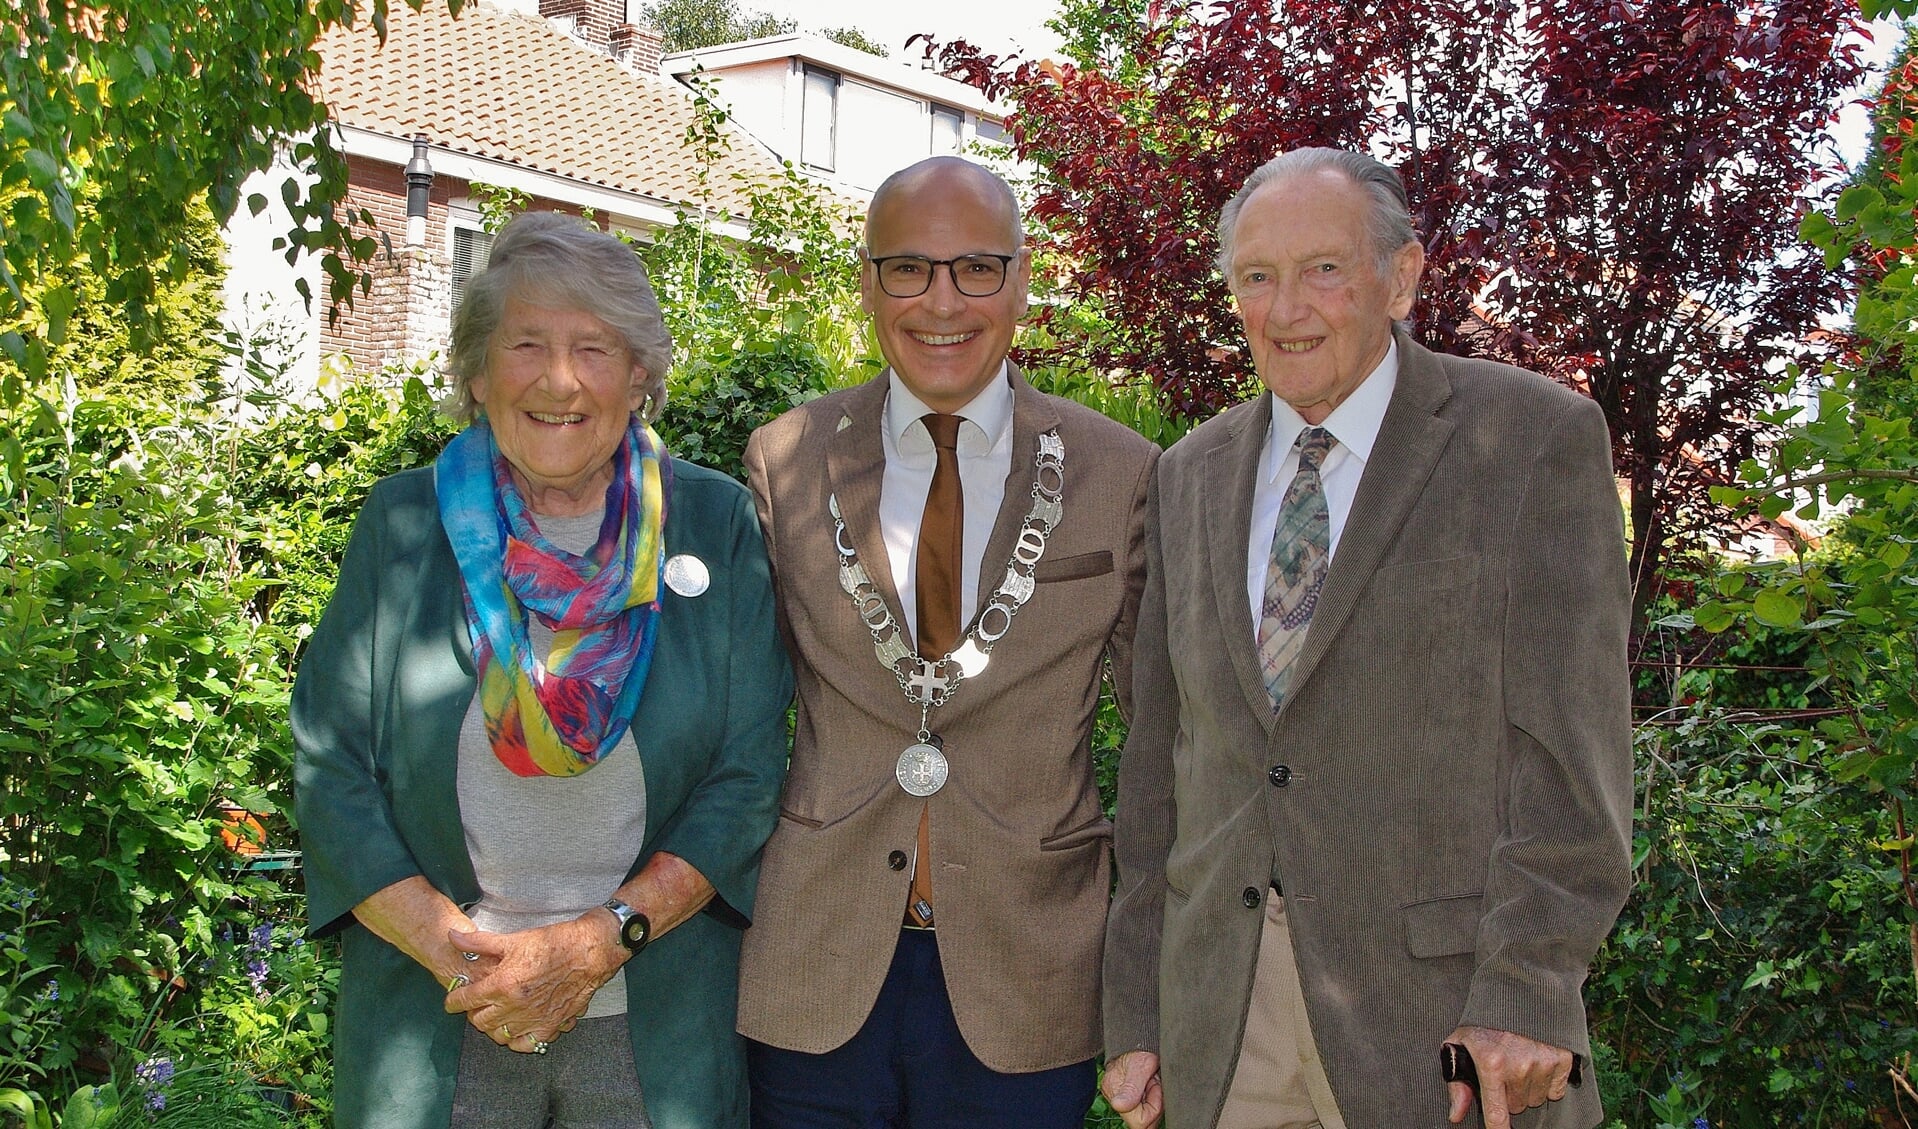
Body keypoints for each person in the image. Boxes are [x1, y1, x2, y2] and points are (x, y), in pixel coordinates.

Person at [1100, 148, 1633, 1129]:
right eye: (1256, 277)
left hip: (1443, 1032)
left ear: (1402, 278)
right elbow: (1157, 771)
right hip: (1224, 1026)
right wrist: (1138, 1005)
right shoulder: (1186, 476)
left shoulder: (1527, 443)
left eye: (1323, 269)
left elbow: (1572, 759)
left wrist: (1526, 991)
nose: (1286, 307)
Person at [292, 211, 792, 1129]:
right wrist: (468, 960)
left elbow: (749, 775)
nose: (559, 380)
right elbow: (332, 775)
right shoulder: (402, 526)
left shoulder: (715, 524)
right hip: (441, 1009)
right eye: (526, 343)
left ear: (639, 373)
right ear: (478, 372)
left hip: (654, 1021)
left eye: (594, 348)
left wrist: (600, 942)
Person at [738, 156, 1159, 1128]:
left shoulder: (1122, 473)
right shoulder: (785, 455)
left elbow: (1165, 750)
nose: (941, 301)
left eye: (975, 268)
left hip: (1030, 978)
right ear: (867, 283)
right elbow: (740, 720)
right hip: (814, 971)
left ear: (1020, 281)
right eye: (908, 269)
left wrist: (1150, 984)